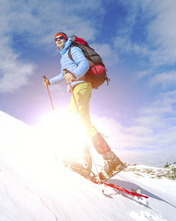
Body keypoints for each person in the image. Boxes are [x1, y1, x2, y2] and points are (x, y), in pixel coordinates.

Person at [43, 32, 123, 179]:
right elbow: (62, 75)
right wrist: (50, 81)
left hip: (81, 86)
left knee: (72, 119)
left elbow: (84, 64)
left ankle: (84, 161)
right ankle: (111, 159)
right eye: (55, 39)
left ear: (65, 39)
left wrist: (74, 75)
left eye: (60, 38)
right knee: (86, 124)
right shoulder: (64, 57)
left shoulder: (73, 49)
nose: (58, 40)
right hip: (80, 87)